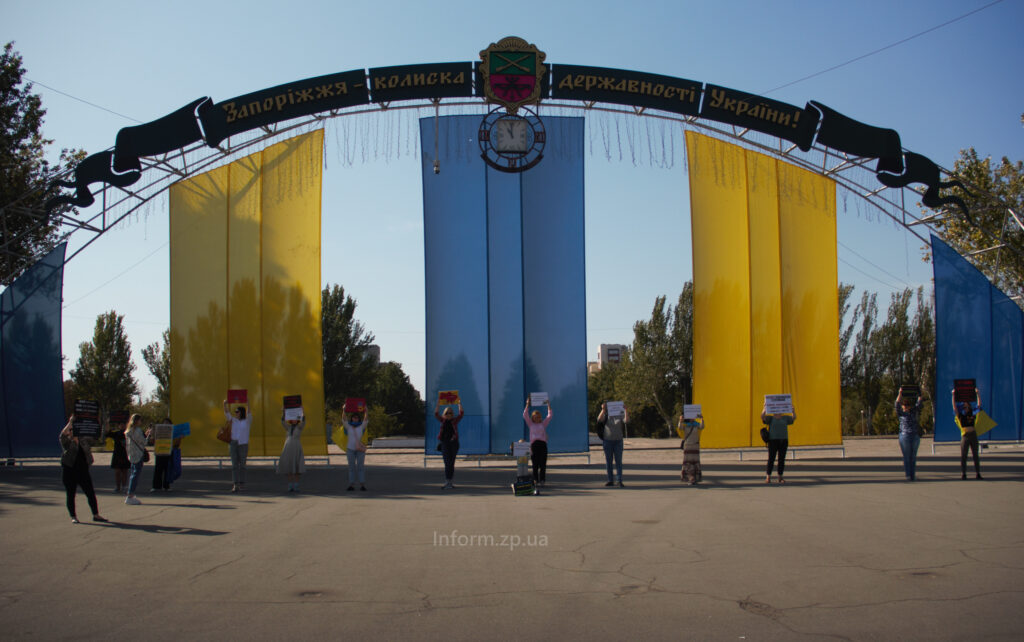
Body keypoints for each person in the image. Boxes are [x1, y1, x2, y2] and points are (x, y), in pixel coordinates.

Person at [59, 417, 107, 524]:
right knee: (71, 494)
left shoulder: (83, 441)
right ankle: (73, 516)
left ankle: (96, 514)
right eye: (71, 431)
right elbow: (62, 435)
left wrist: (97, 423)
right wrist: (70, 422)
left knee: (90, 493)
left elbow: (94, 437)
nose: (72, 432)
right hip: (69, 471)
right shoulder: (66, 442)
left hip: (83, 471)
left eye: (74, 430)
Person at [953, 387, 983, 480]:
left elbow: (979, 405)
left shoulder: (972, 413)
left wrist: (978, 394)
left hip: (973, 434)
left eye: (967, 406)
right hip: (965, 435)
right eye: (964, 407)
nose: (966, 408)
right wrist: (953, 395)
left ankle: (978, 473)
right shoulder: (961, 415)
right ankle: (963, 473)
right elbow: (954, 407)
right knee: (964, 455)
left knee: (975, 455)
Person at [761, 402, 795, 484]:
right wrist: (764, 408)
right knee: (771, 459)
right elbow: (763, 417)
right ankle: (768, 476)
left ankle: (780, 476)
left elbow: (793, 418)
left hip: (783, 440)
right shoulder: (771, 418)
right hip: (773, 441)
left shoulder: (785, 418)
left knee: (781, 459)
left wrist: (793, 411)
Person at [596, 402, 628, 487]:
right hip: (608, 440)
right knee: (608, 461)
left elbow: (626, 421)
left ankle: (619, 480)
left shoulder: (620, 414)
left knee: (618, 461)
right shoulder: (606, 415)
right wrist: (603, 409)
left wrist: (625, 410)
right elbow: (599, 419)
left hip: (618, 441)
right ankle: (610, 480)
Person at [895, 389, 924, 481]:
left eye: (908, 405)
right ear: (902, 406)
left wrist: (920, 395)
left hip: (914, 435)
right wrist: (900, 393)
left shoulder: (913, 411)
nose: (906, 407)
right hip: (905, 435)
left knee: (913, 456)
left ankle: (912, 475)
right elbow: (896, 404)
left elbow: (919, 404)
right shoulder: (901, 413)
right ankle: (908, 474)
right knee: (907, 456)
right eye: (905, 405)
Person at [523, 398, 553, 487]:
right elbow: (525, 415)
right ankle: (535, 479)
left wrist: (548, 404)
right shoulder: (531, 424)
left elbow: (550, 416)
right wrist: (528, 404)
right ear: (533, 418)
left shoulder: (543, 424)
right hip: (534, 445)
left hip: (542, 445)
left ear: (540, 418)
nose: (537, 418)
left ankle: (542, 480)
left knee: (542, 464)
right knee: (535, 464)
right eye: (535, 417)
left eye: (538, 417)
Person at [223, 399, 252, 492]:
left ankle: (242, 483)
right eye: (235, 412)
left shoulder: (247, 421)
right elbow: (227, 414)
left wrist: (248, 403)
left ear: (242, 412)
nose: (236, 413)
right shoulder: (233, 420)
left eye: (237, 411)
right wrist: (224, 404)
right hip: (234, 443)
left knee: (242, 465)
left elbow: (249, 413)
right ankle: (235, 484)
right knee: (234, 465)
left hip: (243, 444)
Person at [434, 401, 463, 490]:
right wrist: (438, 405)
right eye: (447, 413)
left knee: (451, 463)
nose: (449, 414)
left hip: (453, 443)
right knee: (447, 463)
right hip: (445, 443)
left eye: (450, 413)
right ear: (444, 414)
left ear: (452, 414)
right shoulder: (442, 420)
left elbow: (461, 413)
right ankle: (447, 481)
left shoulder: (454, 420)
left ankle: (450, 481)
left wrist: (459, 404)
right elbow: (436, 414)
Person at [277, 407, 306, 492]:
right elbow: (282, 422)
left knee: (296, 467)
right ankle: (290, 485)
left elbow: (304, 421)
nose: (293, 420)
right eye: (292, 419)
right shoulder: (288, 427)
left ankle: (296, 485)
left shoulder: (299, 427)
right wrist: (284, 412)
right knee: (289, 466)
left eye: (295, 419)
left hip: (296, 446)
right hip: (288, 447)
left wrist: (302, 411)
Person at [124, 414, 148, 505]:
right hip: (138, 454)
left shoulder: (128, 431)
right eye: (140, 420)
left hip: (132, 454)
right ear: (137, 421)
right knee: (135, 475)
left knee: (133, 474)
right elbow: (144, 442)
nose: (141, 422)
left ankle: (131, 494)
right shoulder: (137, 430)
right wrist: (147, 435)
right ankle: (130, 494)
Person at [677, 412, 705, 485]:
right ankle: (689, 478)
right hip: (688, 445)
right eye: (691, 416)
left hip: (695, 445)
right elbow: (680, 427)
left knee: (695, 462)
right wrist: (680, 420)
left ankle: (695, 478)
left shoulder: (697, 424)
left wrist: (701, 419)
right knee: (688, 462)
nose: (692, 418)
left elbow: (702, 426)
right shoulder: (686, 425)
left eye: (693, 416)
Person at [343, 411, 367, 492]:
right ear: (352, 418)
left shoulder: (361, 426)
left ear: (358, 419)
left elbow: (366, 419)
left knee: (360, 467)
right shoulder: (348, 426)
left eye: (357, 417)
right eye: (354, 417)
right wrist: (343, 410)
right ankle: (351, 485)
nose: (355, 418)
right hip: (350, 449)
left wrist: (366, 411)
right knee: (351, 467)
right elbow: (344, 418)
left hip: (359, 449)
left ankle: (362, 485)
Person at [106, 420, 130, 493]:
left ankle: (124, 486)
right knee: (117, 471)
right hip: (117, 454)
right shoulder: (116, 433)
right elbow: (107, 433)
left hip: (126, 454)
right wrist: (107, 423)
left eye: (124, 424)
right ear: (119, 426)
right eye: (121, 424)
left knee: (125, 471)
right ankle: (117, 487)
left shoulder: (128, 433)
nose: (122, 426)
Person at [151, 416, 173, 492]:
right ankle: (156, 486)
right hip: (159, 453)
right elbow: (153, 439)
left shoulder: (172, 431)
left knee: (167, 470)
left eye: (168, 423)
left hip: (168, 453)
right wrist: (152, 432)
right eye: (165, 423)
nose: (166, 424)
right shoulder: (158, 430)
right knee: (158, 470)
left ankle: (166, 486)